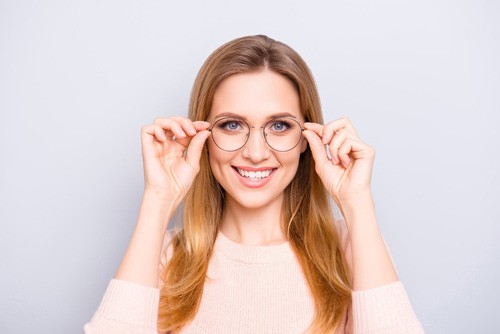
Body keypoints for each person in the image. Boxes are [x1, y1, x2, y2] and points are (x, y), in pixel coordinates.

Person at [84, 35, 424, 333]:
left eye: (279, 126)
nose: (256, 153)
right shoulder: (167, 257)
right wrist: (158, 199)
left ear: (308, 137)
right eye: (232, 125)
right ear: (203, 135)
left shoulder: (350, 249)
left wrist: (358, 203)